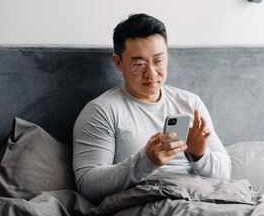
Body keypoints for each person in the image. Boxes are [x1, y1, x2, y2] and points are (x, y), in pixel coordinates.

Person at [73, 13, 231, 204]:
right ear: (118, 62)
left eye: (158, 61)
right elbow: (87, 186)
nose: (151, 73)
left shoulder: (190, 103)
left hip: (202, 197)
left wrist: (200, 155)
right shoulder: (101, 111)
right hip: (149, 202)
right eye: (139, 64)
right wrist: (146, 161)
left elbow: (224, 173)